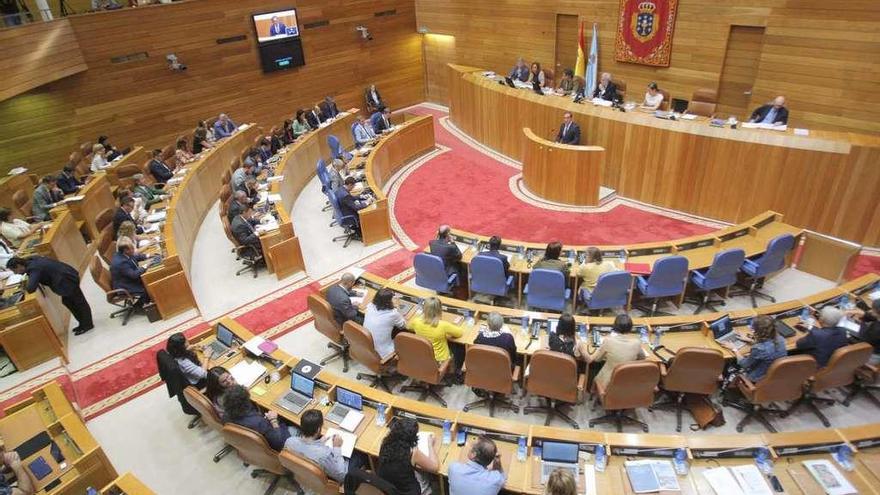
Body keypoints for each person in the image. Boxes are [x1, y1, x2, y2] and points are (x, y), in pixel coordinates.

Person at [7, 256, 93, 334]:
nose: (15, 273)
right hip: (65, 277)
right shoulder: (31, 259)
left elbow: (31, 288)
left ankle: (87, 325)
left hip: (67, 280)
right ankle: (83, 323)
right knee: (69, 302)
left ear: (19, 265)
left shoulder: (34, 268)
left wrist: (24, 286)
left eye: (15, 270)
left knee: (78, 302)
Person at [284, 409, 368, 487]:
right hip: (337, 473)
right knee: (360, 454)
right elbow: (342, 475)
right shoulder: (324, 454)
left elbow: (308, 450)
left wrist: (320, 442)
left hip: (306, 475)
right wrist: (337, 447)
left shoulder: (290, 441)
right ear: (318, 430)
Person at [377, 417, 439, 495]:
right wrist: (430, 445)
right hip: (408, 491)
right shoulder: (412, 452)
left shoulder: (385, 443)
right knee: (425, 475)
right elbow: (435, 467)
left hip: (388, 488)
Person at [222, 385, 291, 451]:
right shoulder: (259, 422)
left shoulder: (225, 416)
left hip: (249, 445)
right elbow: (279, 443)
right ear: (246, 401)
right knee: (295, 428)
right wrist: (273, 420)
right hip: (275, 444)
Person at [587, 314, 646, 388]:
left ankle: (594, 392)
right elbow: (642, 358)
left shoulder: (608, 341)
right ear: (630, 328)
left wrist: (601, 349)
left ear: (615, 327)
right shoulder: (637, 342)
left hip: (608, 381)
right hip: (628, 380)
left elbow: (597, 359)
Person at [723, 315, 786, 382]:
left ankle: (724, 383)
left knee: (729, 363)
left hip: (757, 377)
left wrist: (734, 349)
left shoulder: (759, 349)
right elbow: (768, 345)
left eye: (752, 328)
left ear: (758, 331)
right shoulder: (780, 339)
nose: (751, 329)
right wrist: (751, 341)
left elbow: (744, 364)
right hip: (775, 373)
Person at [409, 297, 464, 368]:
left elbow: (409, 327)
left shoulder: (416, 321)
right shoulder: (443, 325)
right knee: (459, 348)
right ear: (439, 310)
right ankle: (454, 372)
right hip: (440, 359)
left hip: (423, 354)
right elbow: (459, 333)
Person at [362, 288, 406, 360]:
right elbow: (403, 325)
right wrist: (398, 307)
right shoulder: (392, 313)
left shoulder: (369, 306)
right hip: (383, 353)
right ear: (388, 302)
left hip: (366, 346)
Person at [110, 239, 150, 306]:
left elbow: (134, 257)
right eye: (132, 248)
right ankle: (139, 306)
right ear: (126, 250)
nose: (134, 249)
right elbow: (134, 275)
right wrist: (145, 266)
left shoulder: (122, 254)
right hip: (125, 285)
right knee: (148, 286)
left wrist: (147, 256)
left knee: (148, 278)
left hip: (127, 279)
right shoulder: (121, 262)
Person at [849, 299, 880, 365]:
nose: (871, 311)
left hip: (874, 355)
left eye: (872, 309)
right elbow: (876, 318)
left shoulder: (876, 330)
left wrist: (862, 323)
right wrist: (864, 314)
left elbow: (862, 341)